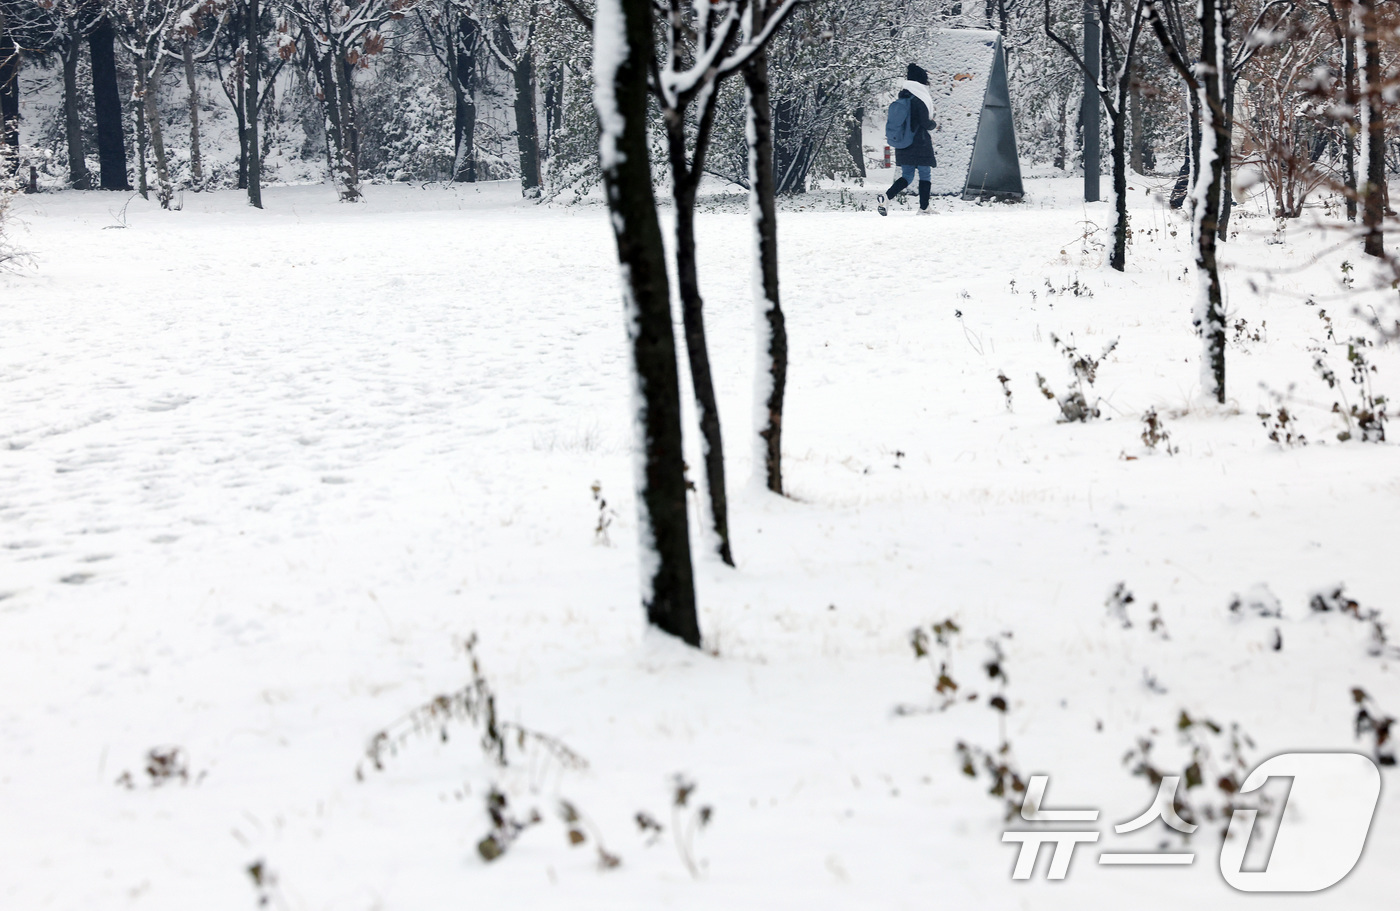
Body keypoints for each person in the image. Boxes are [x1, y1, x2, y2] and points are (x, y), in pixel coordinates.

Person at [879, 64, 937, 216]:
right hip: (920, 142)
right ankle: (924, 208)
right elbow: (926, 122)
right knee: (925, 174)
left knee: (907, 176)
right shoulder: (920, 99)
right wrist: (933, 123)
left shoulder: (903, 96)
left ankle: (886, 197)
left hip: (903, 142)